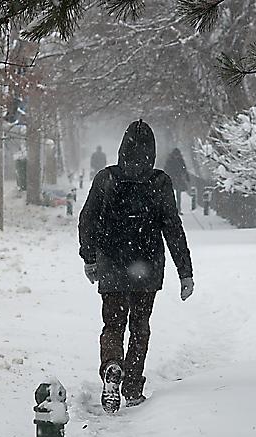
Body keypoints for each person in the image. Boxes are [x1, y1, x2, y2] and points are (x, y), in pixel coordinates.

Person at [79, 120, 194, 413]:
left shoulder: (106, 178)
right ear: (152, 152)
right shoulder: (160, 182)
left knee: (113, 324)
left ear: (122, 148)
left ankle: (112, 365)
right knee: (140, 327)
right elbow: (173, 228)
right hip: (147, 267)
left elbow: (87, 219)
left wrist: (90, 258)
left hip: (112, 264)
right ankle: (131, 386)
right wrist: (185, 271)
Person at [164, 147, 190, 214]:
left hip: (177, 178)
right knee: (172, 194)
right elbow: (167, 169)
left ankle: (178, 209)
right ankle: (174, 208)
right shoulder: (173, 160)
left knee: (177, 194)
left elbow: (184, 169)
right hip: (173, 178)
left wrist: (186, 176)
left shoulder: (175, 160)